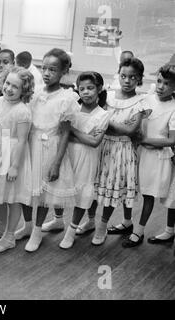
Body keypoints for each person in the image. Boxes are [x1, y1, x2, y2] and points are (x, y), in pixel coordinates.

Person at [24, 48, 80, 252]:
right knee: (30, 192)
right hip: (31, 145)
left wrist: (57, 162)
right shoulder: (35, 92)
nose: (47, 73)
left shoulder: (67, 98)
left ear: (64, 70)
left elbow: (66, 133)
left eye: (53, 69)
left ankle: (37, 232)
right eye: (44, 68)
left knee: (44, 194)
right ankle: (31, 226)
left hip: (50, 148)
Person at [92, 57, 148, 246]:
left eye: (132, 77)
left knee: (117, 187)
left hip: (123, 150)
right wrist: (116, 125)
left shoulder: (141, 101)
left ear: (139, 79)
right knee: (97, 187)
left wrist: (107, 121)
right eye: (123, 76)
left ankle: (103, 225)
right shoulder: (107, 96)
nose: (127, 80)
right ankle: (94, 221)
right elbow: (96, 121)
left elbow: (131, 131)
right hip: (103, 146)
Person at [122, 63, 175, 247]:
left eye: (167, 84)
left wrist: (144, 141)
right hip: (139, 152)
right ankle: (127, 222)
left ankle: (139, 231)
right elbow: (134, 122)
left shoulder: (174, 107)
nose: (161, 86)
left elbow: (171, 140)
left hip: (157, 158)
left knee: (149, 195)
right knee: (130, 187)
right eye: (159, 81)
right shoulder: (146, 99)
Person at [59, 72, 110, 249]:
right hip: (68, 155)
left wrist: (70, 130)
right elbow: (60, 133)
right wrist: (77, 135)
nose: (86, 92)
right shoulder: (72, 109)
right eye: (82, 89)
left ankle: (71, 231)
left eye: (90, 88)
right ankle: (58, 220)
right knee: (63, 187)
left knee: (82, 193)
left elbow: (94, 142)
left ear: (99, 89)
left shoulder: (103, 114)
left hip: (87, 158)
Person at [0, 66, 34, 253]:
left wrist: (15, 166)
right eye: (7, 83)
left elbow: (22, 140)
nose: (9, 88)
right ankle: (1, 226)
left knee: (13, 198)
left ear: (24, 91)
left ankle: (10, 236)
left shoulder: (22, 111)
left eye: (15, 86)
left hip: (14, 155)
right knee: (3, 195)